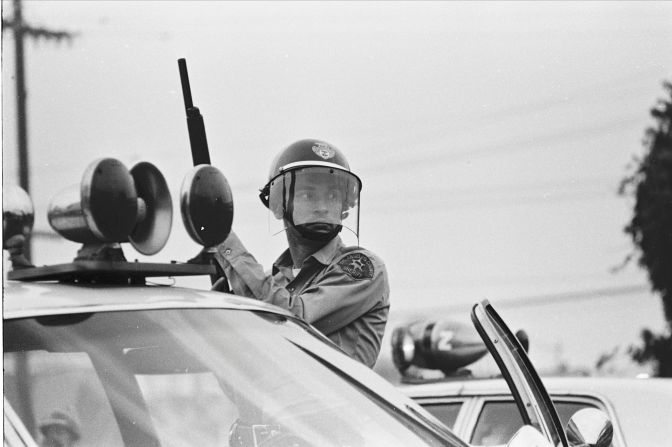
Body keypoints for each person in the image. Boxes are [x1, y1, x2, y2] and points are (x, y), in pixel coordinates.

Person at [213, 138, 390, 367]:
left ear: (344, 209)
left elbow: (292, 317)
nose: (323, 206)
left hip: (334, 403)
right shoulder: (274, 284)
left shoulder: (361, 267)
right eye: (308, 195)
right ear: (278, 205)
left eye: (333, 196)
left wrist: (221, 236)